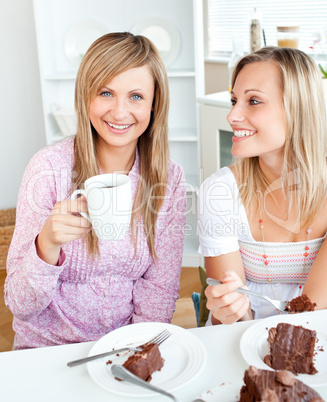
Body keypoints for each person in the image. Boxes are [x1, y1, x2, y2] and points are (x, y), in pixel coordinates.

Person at [5, 32, 186, 349]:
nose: (118, 112)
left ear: (155, 104)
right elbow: (20, 305)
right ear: (85, 96)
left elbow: (160, 287)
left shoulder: (168, 178)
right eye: (105, 93)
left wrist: (138, 354)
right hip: (46, 350)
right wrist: (46, 243)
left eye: (136, 96)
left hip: (123, 347)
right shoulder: (48, 169)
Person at [198, 46, 327, 325]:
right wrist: (229, 310)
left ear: (298, 109)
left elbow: (311, 314)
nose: (232, 116)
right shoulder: (219, 192)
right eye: (234, 101)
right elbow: (231, 324)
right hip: (241, 339)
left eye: (253, 101)